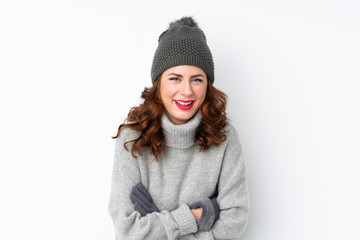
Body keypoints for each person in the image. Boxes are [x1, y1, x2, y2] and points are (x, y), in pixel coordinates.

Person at [108, 16, 250, 240]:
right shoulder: (132, 139)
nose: (186, 91)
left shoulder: (225, 137)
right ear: (158, 83)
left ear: (208, 85)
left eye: (197, 79)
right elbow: (128, 232)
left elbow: (235, 219)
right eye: (175, 78)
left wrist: (157, 223)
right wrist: (197, 216)